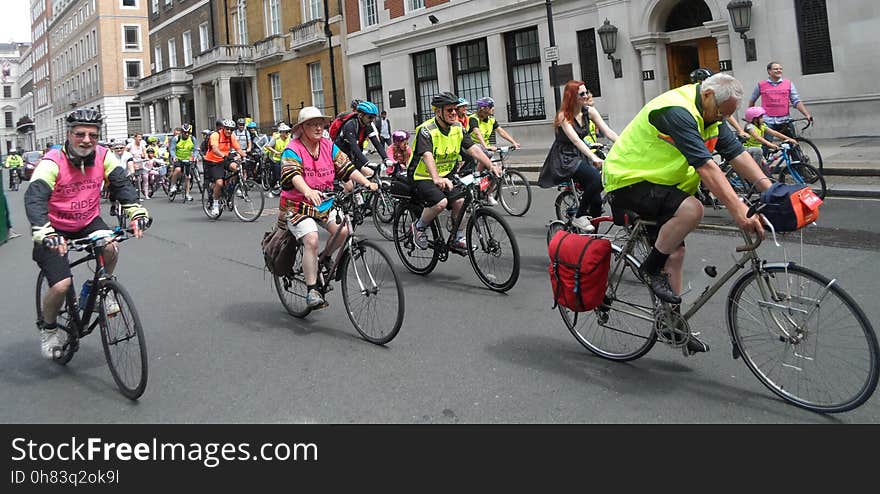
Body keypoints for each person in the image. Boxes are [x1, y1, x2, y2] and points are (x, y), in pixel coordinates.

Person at [602, 74, 769, 354]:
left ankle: (671, 323)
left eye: (727, 115)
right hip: (627, 181)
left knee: (675, 253)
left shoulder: (713, 117)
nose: (721, 119)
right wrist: (739, 210)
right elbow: (706, 167)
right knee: (693, 209)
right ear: (707, 96)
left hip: (661, 186)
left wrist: (771, 190)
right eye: (720, 112)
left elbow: (738, 155)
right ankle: (651, 269)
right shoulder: (676, 111)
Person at [24, 108, 149, 359]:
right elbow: (35, 198)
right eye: (80, 134)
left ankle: (97, 286)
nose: (87, 140)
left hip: (88, 221)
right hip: (53, 227)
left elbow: (122, 184)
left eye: (93, 134)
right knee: (60, 286)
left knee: (111, 246)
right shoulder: (52, 162)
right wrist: (44, 231)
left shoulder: (104, 156)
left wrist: (136, 212)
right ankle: (49, 329)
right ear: (69, 135)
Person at [277, 106, 377, 309]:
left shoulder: (328, 145)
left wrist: (367, 183)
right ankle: (312, 289)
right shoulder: (293, 149)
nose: (317, 127)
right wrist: (307, 190)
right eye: (312, 124)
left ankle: (325, 258)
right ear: (302, 128)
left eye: (320, 123)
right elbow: (294, 174)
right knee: (311, 239)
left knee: (344, 231)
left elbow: (347, 167)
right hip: (297, 205)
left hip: (324, 202)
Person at [409, 91, 500, 251]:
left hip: (447, 175)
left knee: (461, 201)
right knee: (441, 203)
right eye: (449, 110)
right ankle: (419, 227)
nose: (454, 113)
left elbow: (473, 149)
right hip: (422, 176)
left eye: (455, 110)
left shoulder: (458, 127)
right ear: (438, 112)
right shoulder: (426, 130)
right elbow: (427, 155)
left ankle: (457, 237)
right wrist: (436, 178)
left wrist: (490, 165)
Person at [537, 81, 607, 232]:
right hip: (565, 157)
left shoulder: (589, 112)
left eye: (586, 92)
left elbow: (608, 132)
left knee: (596, 201)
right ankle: (579, 215)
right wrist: (594, 158)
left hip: (581, 154)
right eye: (582, 94)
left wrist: (626, 145)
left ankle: (593, 238)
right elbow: (575, 140)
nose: (586, 96)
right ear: (572, 97)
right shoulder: (564, 116)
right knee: (597, 178)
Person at [749, 61, 813, 137]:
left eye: (780, 69)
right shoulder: (761, 85)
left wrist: (807, 114)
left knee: (793, 144)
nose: (779, 70)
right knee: (766, 146)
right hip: (767, 121)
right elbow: (752, 101)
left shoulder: (788, 84)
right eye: (776, 69)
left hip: (785, 120)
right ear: (769, 71)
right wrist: (752, 118)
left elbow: (796, 101)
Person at [333, 100, 393, 178]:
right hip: (341, 158)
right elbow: (354, 147)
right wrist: (366, 162)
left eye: (374, 118)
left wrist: (386, 158)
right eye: (370, 117)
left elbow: (377, 143)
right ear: (361, 115)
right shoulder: (350, 125)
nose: (372, 120)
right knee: (350, 185)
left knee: (371, 174)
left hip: (353, 157)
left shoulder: (367, 125)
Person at [203, 118, 243, 216]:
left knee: (237, 168)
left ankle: (229, 190)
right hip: (213, 161)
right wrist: (224, 155)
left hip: (224, 159)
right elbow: (215, 149)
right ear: (223, 128)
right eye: (227, 129)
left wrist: (244, 155)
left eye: (231, 129)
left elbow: (238, 148)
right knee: (219, 183)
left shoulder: (231, 136)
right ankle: (215, 204)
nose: (229, 131)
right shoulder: (215, 135)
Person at [742, 106, 797, 174]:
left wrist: (789, 139)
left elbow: (774, 133)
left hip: (758, 149)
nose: (763, 119)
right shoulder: (750, 127)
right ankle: (755, 174)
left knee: (766, 168)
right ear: (755, 119)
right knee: (758, 166)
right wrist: (770, 145)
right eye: (761, 117)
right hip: (748, 149)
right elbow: (757, 137)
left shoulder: (762, 126)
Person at [168, 123, 198, 201]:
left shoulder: (192, 139)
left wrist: (194, 157)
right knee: (177, 170)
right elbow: (172, 149)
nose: (186, 134)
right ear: (182, 132)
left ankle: (187, 194)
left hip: (188, 159)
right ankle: (173, 185)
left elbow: (195, 150)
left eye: (188, 132)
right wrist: (174, 157)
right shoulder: (176, 138)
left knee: (188, 177)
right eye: (184, 132)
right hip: (178, 158)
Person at [263, 123, 292, 197]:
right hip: (275, 159)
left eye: (288, 131)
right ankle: (271, 188)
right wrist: (276, 152)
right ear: (281, 133)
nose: (287, 133)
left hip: (285, 159)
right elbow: (268, 146)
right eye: (286, 132)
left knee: (286, 174)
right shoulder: (276, 138)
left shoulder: (289, 138)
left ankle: (285, 190)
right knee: (277, 176)